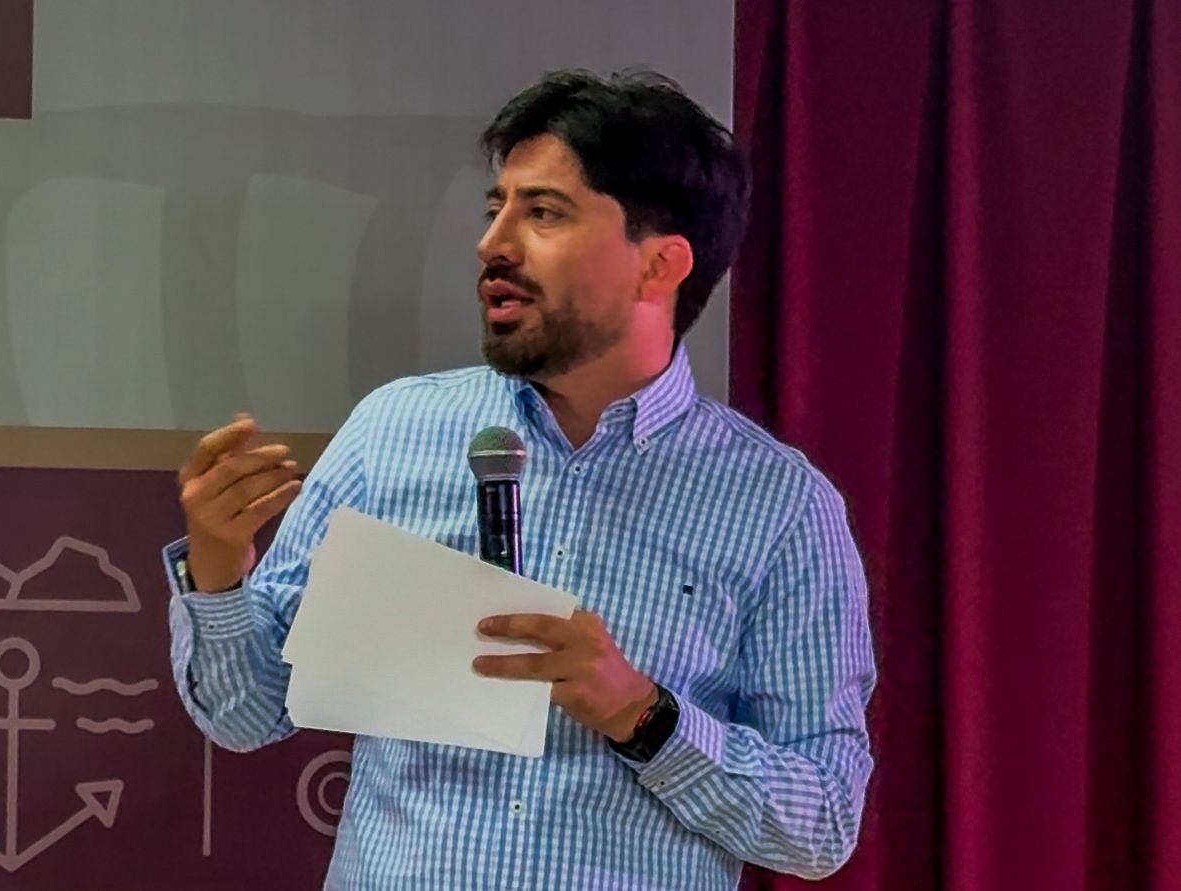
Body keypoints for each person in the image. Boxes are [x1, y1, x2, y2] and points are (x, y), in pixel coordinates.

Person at [166, 69, 876, 890]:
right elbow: (246, 713)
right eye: (495, 208)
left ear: (660, 265)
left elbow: (821, 822)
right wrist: (218, 571)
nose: (493, 244)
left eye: (543, 213)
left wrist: (639, 712)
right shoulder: (393, 432)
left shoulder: (779, 506)